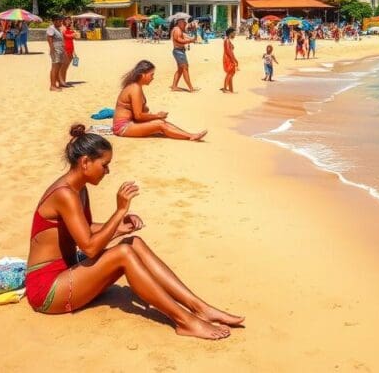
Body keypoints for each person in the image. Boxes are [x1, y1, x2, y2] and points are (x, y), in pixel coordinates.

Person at [25, 125, 240, 336]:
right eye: (105, 165)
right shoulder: (66, 194)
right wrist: (119, 211)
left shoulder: (77, 189)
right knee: (124, 253)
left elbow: (83, 229)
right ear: (85, 162)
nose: (107, 171)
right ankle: (184, 321)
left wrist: (120, 226)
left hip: (67, 273)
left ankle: (199, 307)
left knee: (133, 242)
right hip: (46, 290)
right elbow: (89, 248)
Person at [114, 60, 206, 140]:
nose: (153, 78)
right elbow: (138, 116)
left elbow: (138, 112)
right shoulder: (135, 88)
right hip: (122, 127)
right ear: (143, 75)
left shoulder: (136, 86)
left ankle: (190, 134)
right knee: (160, 124)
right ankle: (190, 136)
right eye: (151, 75)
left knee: (161, 122)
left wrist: (153, 115)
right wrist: (157, 115)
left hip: (130, 123)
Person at [170, 19, 198, 92]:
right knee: (185, 69)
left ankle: (174, 86)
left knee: (180, 70)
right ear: (179, 22)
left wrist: (192, 37)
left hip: (179, 51)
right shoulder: (177, 30)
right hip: (179, 52)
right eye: (184, 22)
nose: (185, 23)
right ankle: (191, 88)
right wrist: (190, 40)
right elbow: (178, 40)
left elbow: (185, 38)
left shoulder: (179, 30)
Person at [47, 15, 66, 91]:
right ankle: (52, 85)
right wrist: (52, 49)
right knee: (54, 67)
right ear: (54, 21)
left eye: (61, 20)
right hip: (55, 49)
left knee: (58, 67)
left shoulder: (58, 29)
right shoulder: (51, 28)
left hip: (60, 49)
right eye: (59, 21)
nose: (61, 22)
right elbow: (49, 38)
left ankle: (56, 84)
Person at [220, 27, 238, 93]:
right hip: (228, 58)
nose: (235, 35)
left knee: (230, 73)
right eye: (234, 33)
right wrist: (234, 60)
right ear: (230, 33)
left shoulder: (227, 40)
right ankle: (225, 89)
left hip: (227, 58)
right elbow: (229, 52)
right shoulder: (227, 40)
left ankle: (231, 89)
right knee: (230, 73)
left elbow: (229, 51)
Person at [61, 17, 77, 87]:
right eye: (67, 20)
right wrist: (72, 35)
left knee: (66, 67)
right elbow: (63, 36)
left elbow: (77, 37)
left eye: (69, 20)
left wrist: (72, 26)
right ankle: (62, 81)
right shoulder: (62, 28)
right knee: (63, 67)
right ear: (63, 20)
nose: (68, 21)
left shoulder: (69, 28)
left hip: (70, 48)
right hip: (65, 48)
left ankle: (63, 81)